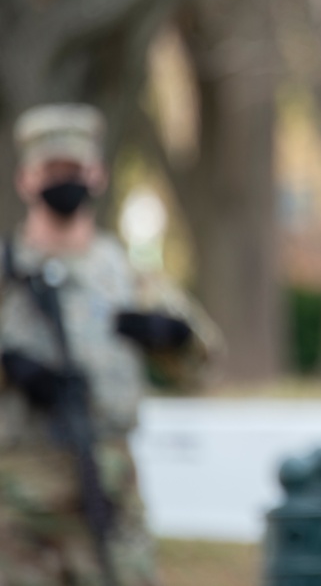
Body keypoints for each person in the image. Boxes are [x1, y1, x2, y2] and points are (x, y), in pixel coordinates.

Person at [0, 103, 221, 585]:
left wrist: (172, 339)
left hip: (108, 486)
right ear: (25, 179)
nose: (64, 182)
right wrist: (13, 367)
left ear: (97, 175)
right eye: (50, 171)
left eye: (74, 170)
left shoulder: (127, 275)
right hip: (17, 503)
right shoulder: (6, 271)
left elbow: (199, 366)